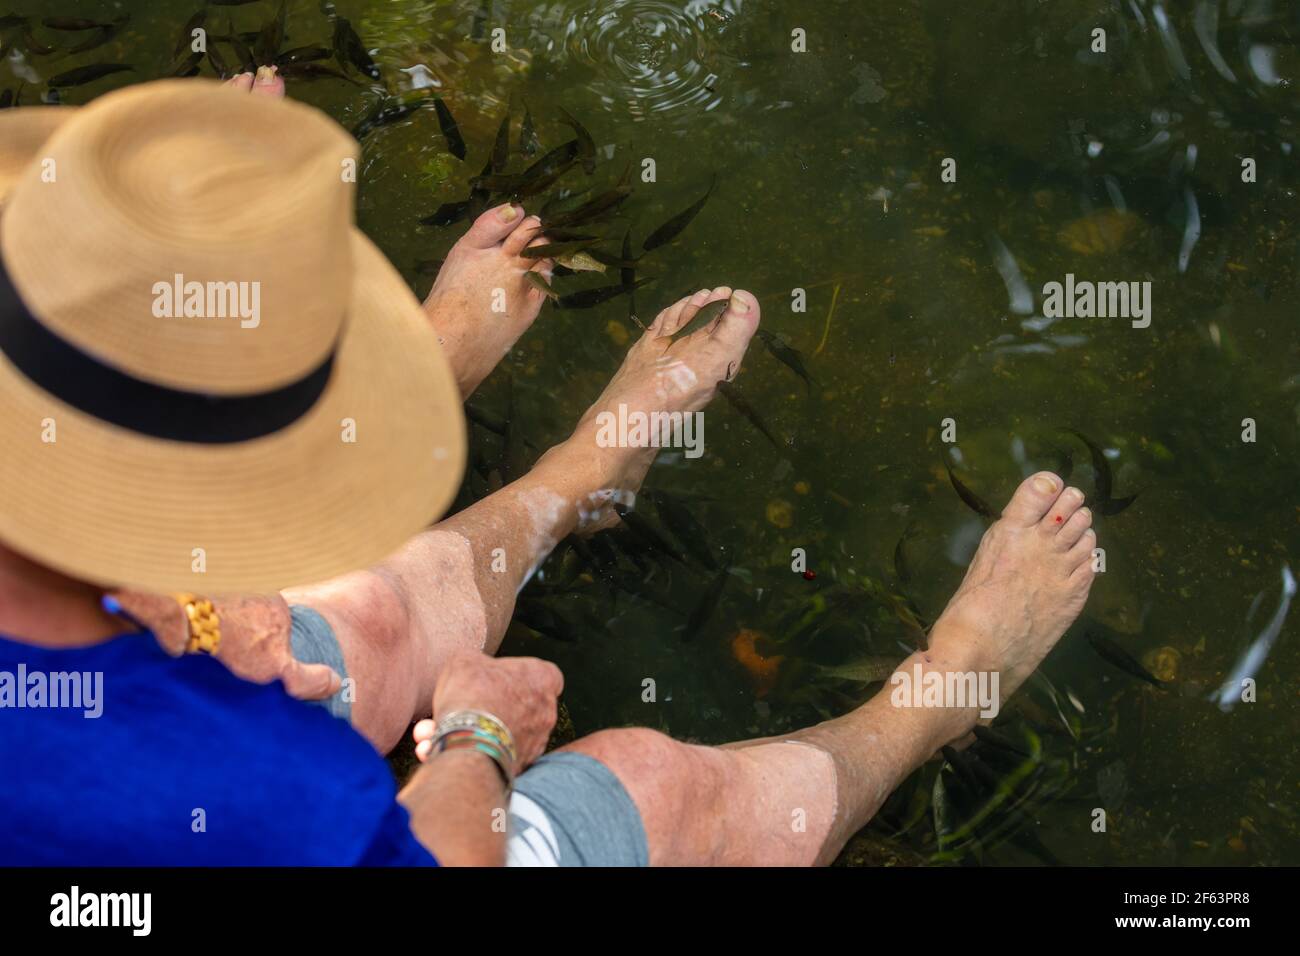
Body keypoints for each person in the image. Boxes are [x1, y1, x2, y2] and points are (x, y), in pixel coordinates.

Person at [0, 76, 1098, 867]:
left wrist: (190, 630)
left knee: (364, 619)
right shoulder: (274, 800)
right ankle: (939, 697)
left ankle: (580, 476)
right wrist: (477, 739)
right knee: (651, 788)